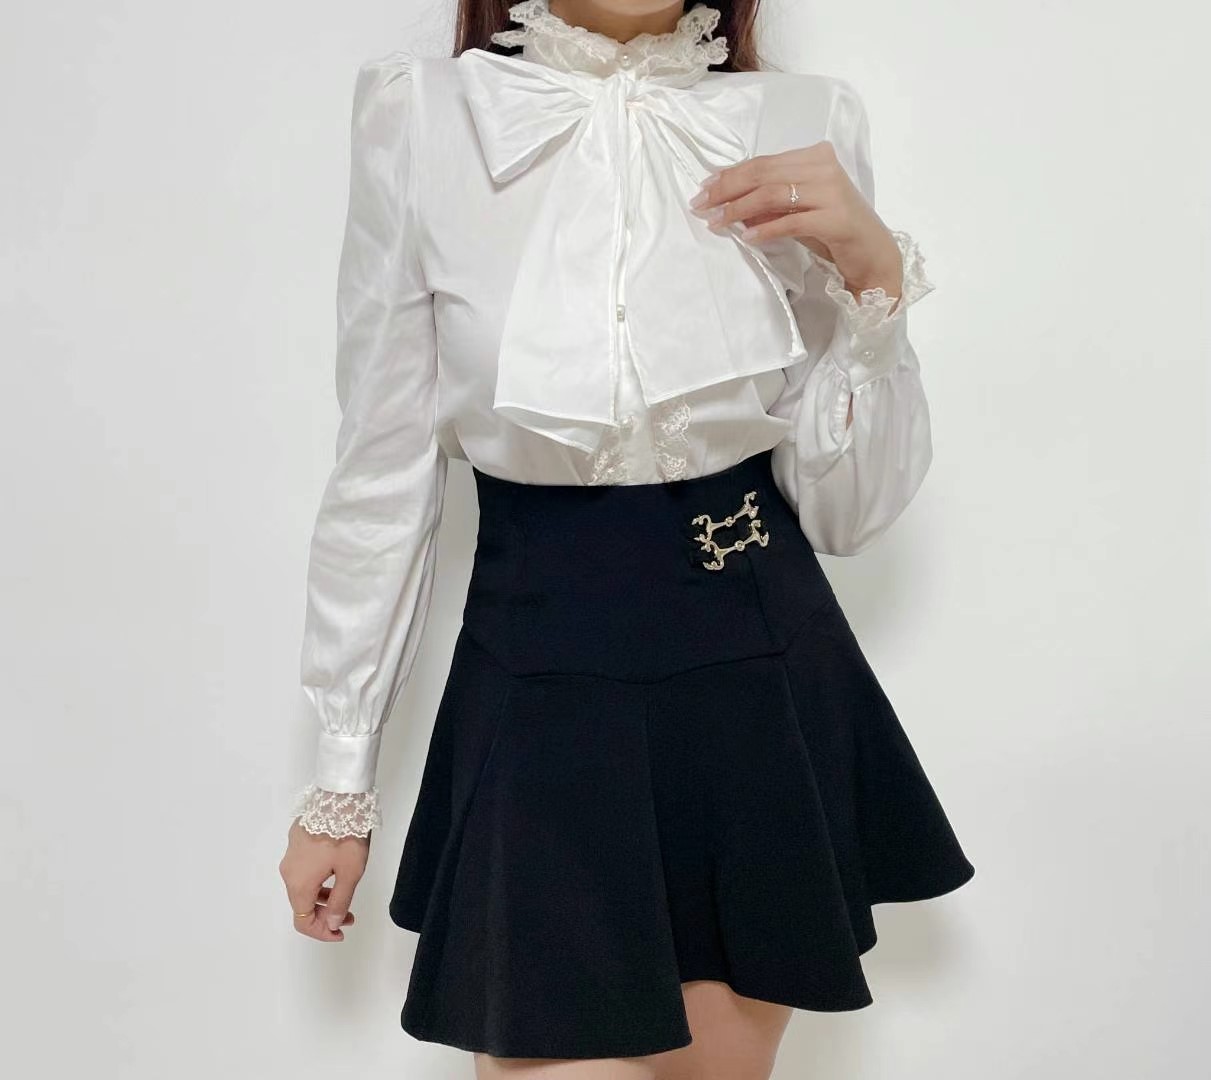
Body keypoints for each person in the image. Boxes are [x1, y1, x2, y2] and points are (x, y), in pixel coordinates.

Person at [278, 1, 976, 1076]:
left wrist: (875, 282)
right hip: (541, 675)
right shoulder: (421, 114)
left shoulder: (804, 117)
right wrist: (341, 777)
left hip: (755, 672)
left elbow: (847, 512)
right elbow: (382, 467)